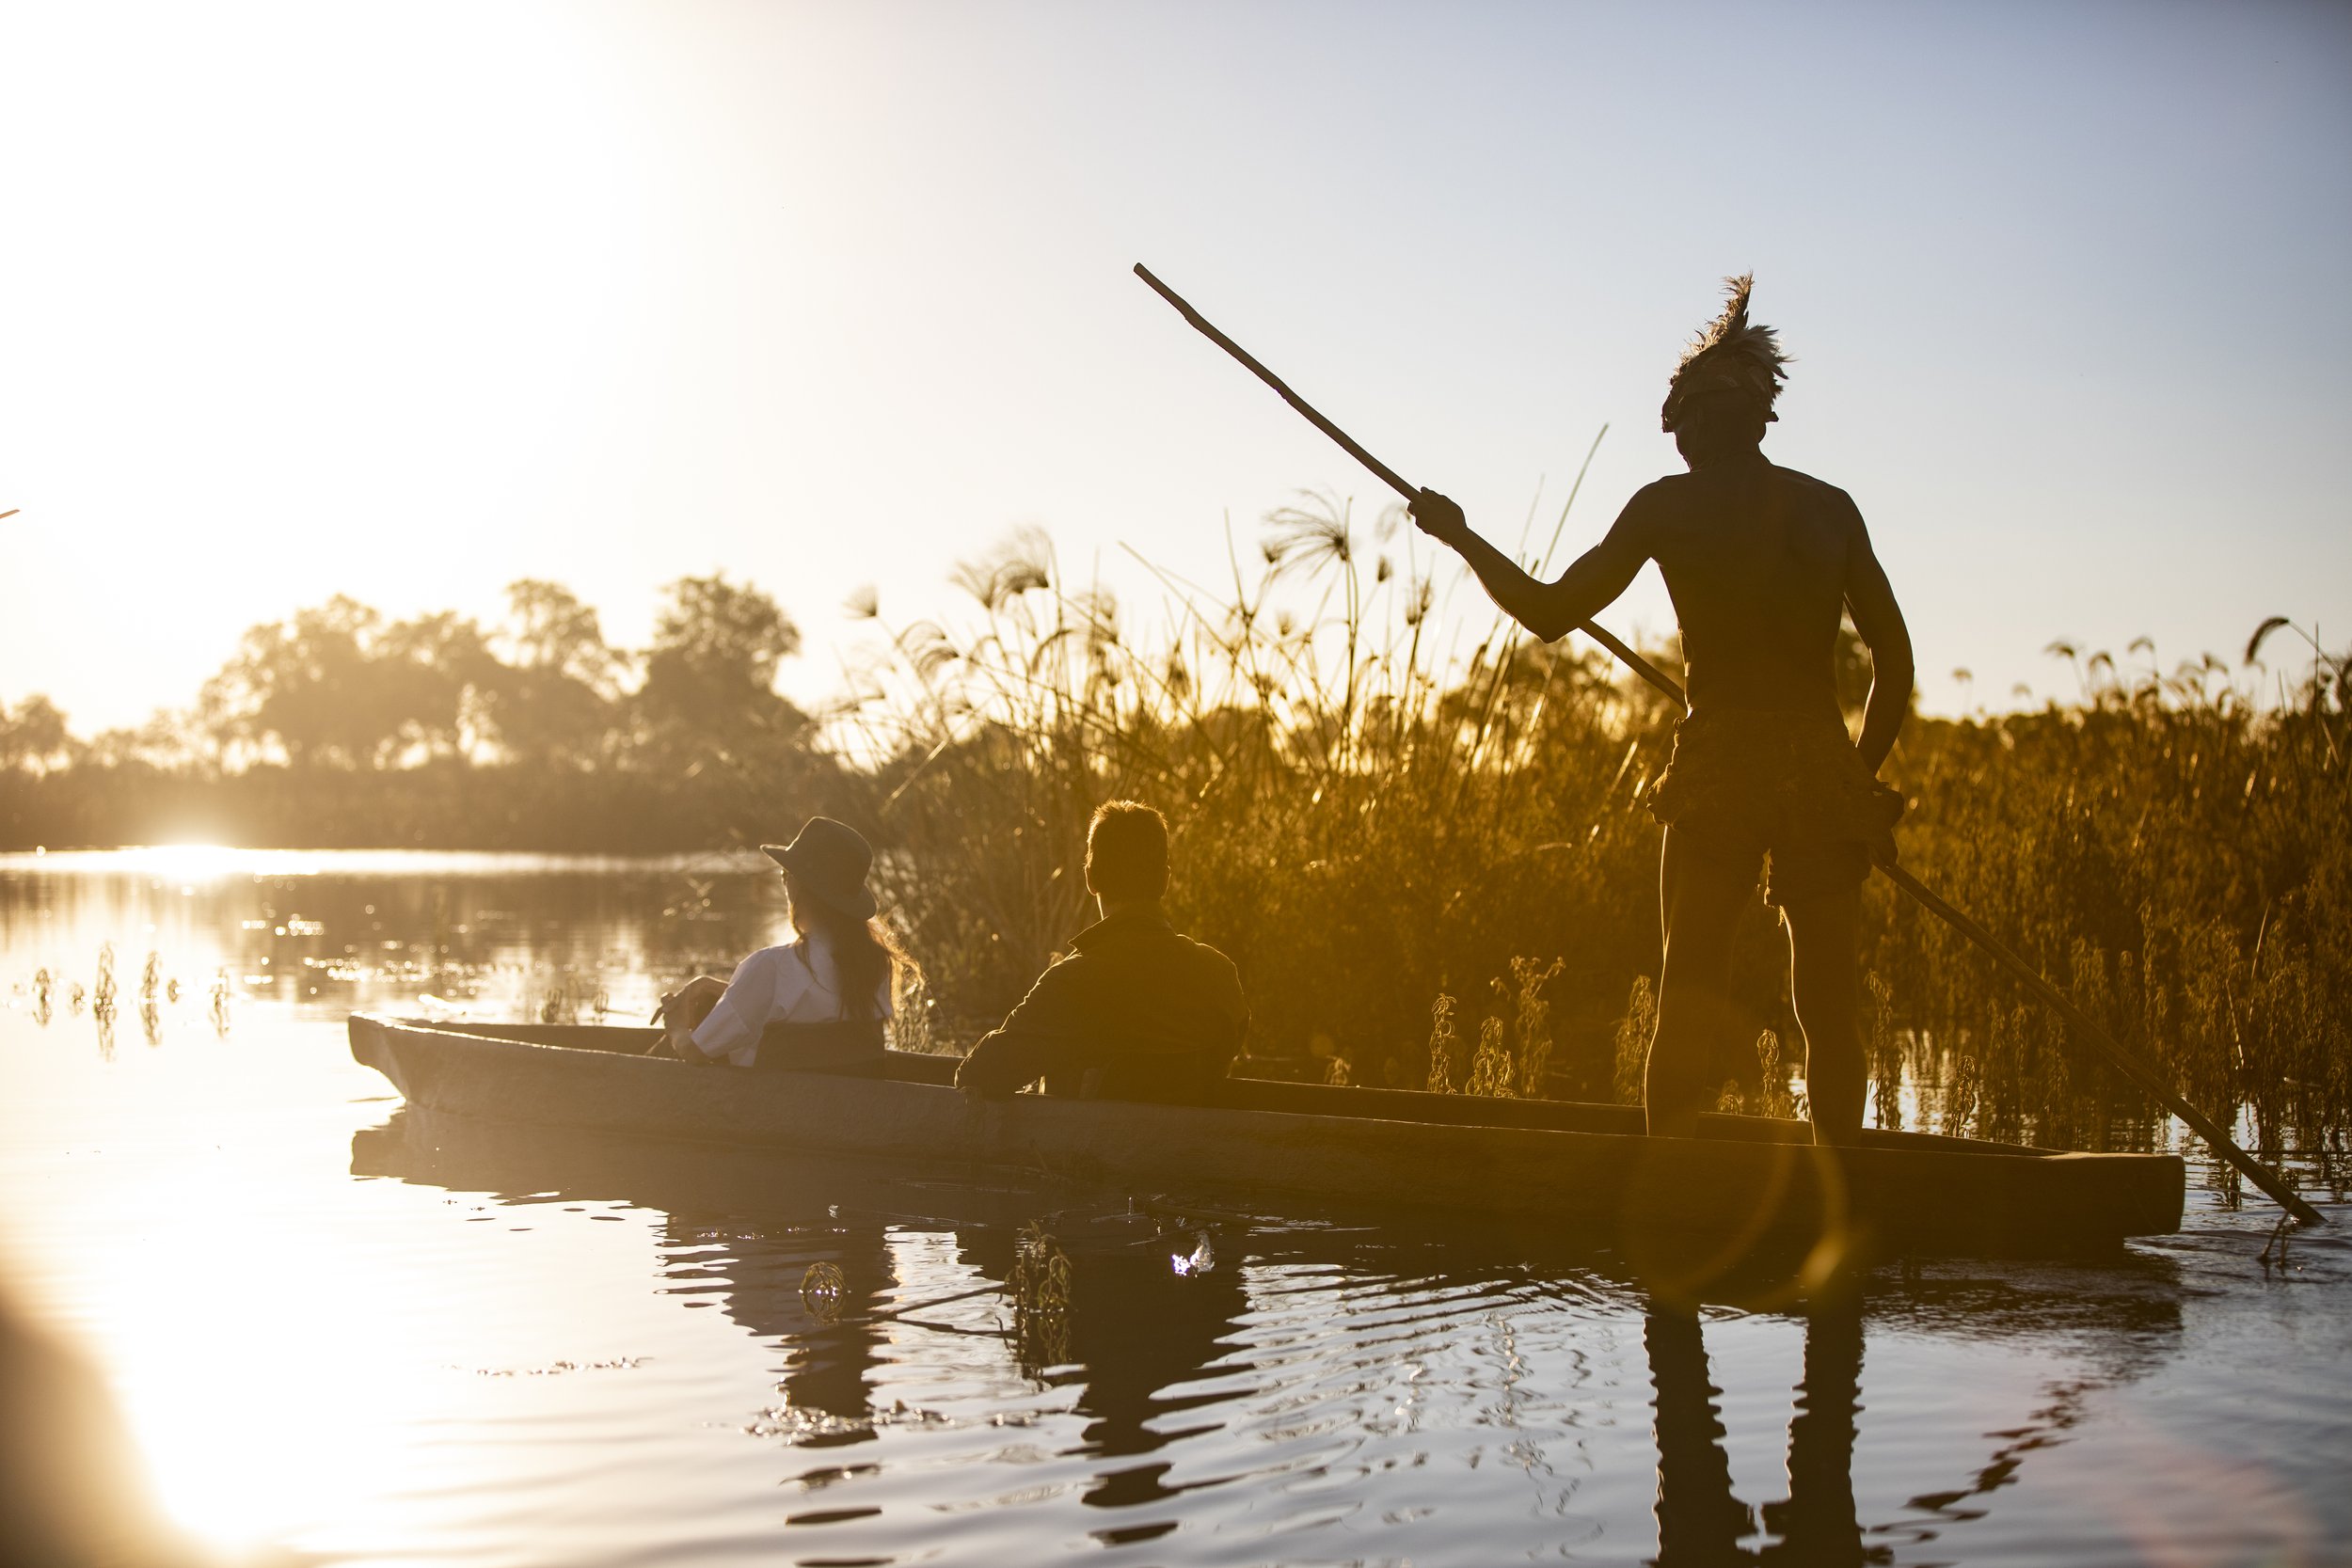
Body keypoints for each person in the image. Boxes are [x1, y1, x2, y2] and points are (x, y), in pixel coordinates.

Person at [1409, 276, 1913, 1146]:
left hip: (1720, 763)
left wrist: (1461, 537)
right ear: (1757, 420)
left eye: (1680, 429)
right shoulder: (1830, 511)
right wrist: (1852, 777)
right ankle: (1846, 1190)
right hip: (1820, 763)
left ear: (1700, 425)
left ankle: (1670, 1187)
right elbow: (1895, 662)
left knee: (1688, 986)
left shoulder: (1668, 508)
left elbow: (1549, 612)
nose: (1678, 445)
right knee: (1829, 1007)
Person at [955, 801, 1248, 1102]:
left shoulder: (1072, 980)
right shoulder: (1221, 974)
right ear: (1165, 880)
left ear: (1090, 878)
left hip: (1084, 1146)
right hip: (1195, 1146)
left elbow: (977, 1075)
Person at [660, 816, 913, 1073]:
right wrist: (725, 990)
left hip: (774, 1105)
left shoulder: (770, 967)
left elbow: (695, 1053)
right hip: (852, 1103)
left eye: (785, 874)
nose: (784, 882)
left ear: (799, 886)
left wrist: (676, 1027)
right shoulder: (876, 963)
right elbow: (818, 1011)